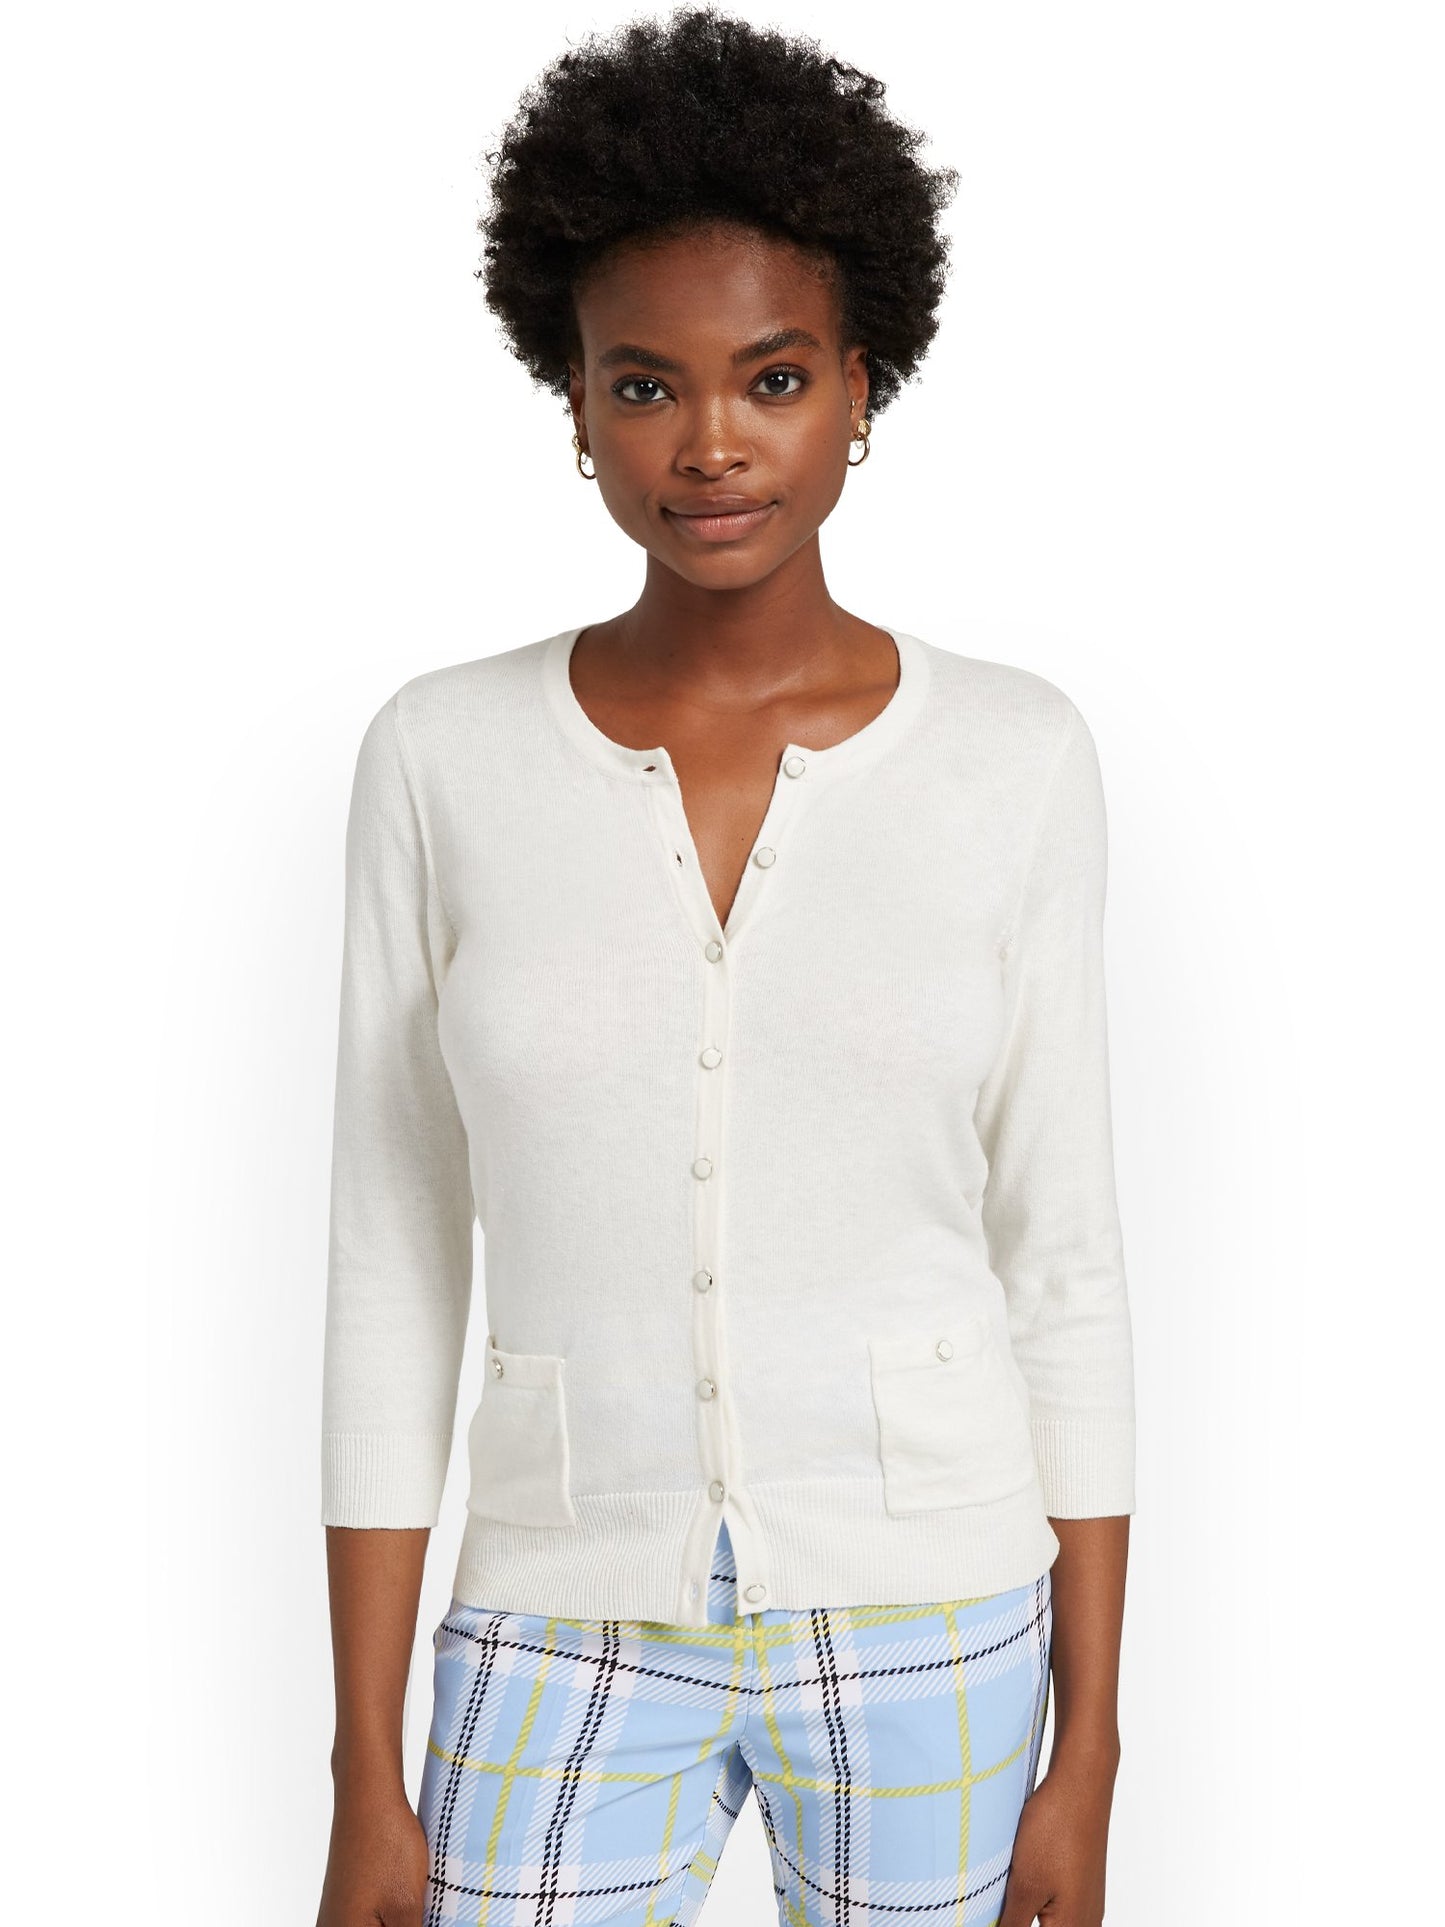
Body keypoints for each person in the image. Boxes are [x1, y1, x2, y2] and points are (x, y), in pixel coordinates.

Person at [315, 9, 1136, 1926]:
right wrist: (363, 1764)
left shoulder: (1012, 755)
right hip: (556, 1621)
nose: (708, 445)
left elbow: (1064, 1255)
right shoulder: (441, 756)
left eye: (771, 378)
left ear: (860, 384)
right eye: (641, 385)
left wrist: (1089, 1750)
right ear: (573, 403)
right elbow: (389, 1268)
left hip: (937, 1622)